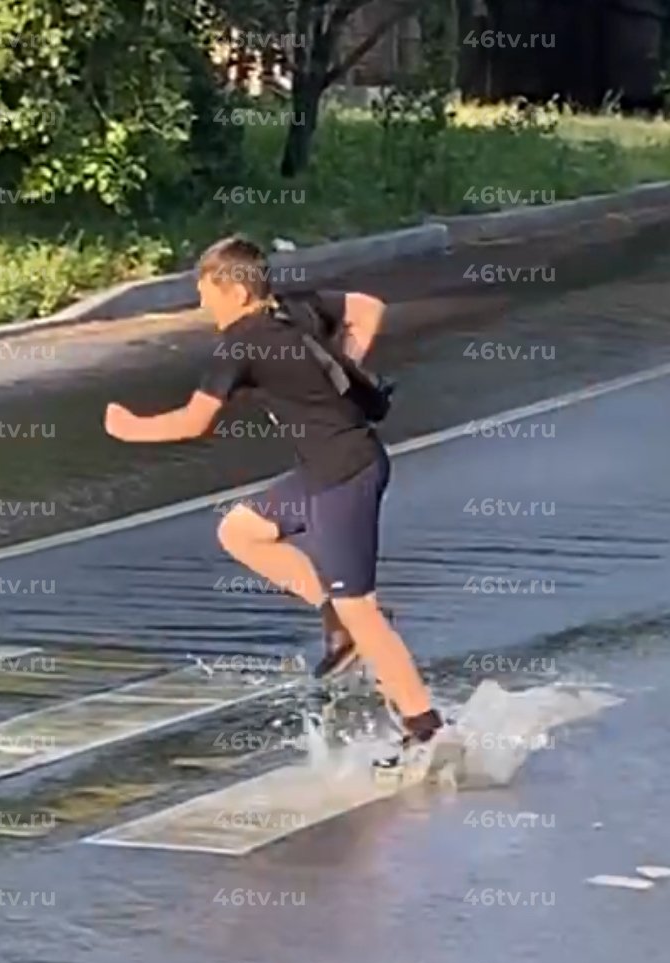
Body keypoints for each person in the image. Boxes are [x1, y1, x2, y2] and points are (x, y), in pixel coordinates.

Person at [102, 235, 443, 768]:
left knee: (365, 613)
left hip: (342, 476)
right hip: (328, 468)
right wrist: (343, 370)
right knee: (240, 531)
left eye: (205, 293)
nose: (202, 305)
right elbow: (368, 306)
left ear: (234, 290)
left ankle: (426, 731)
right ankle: (335, 613)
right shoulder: (295, 309)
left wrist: (128, 429)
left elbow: (194, 422)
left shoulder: (239, 345)